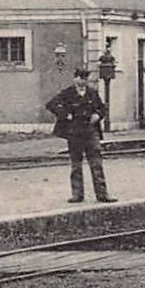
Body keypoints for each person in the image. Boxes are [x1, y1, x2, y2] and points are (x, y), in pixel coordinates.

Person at [45, 68, 115, 204]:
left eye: (85, 79)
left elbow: (102, 108)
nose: (83, 81)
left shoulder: (92, 93)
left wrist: (98, 115)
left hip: (90, 131)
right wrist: (65, 114)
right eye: (80, 78)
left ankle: (102, 194)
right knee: (76, 165)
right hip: (74, 132)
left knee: (96, 163)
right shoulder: (67, 93)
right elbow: (51, 104)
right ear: (75, 78)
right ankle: (77, 195)